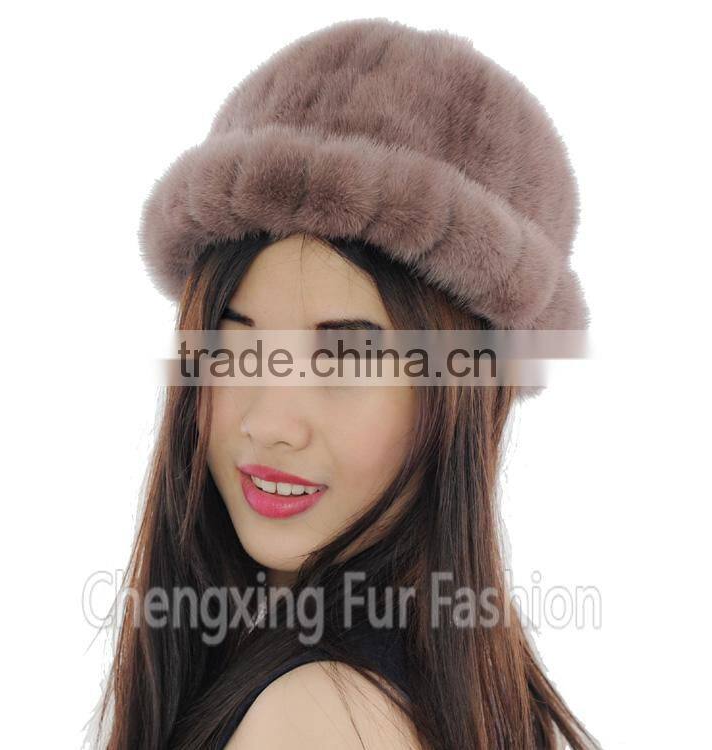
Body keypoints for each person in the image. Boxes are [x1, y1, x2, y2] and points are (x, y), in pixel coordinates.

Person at [91, 18, 600, 750]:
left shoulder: (318, 717)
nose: (271, 423)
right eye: (238, 345)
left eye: (347, 357)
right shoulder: (443, 689)